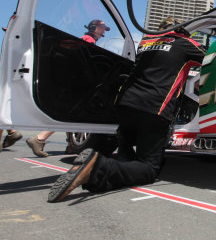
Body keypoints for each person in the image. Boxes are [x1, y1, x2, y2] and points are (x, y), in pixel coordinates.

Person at [48, 17, 205, 202]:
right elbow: (212, 55)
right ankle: (96, 166)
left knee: (126, 156)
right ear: (181, 30)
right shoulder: (184, 43)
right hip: (154, 109)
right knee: (149, 169)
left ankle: (94, 178)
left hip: (126, 105)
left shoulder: (146, 42)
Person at [25, 20, 110, 157]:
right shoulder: (88, 39)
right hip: (75, 81)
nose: (104, 31)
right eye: (102, 28)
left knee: (70, 112)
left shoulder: (87, 39)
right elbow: (85, 60)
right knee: (72, 111)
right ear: (93, 28)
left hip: (71, 79)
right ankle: (39, 139)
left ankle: (70, 145)